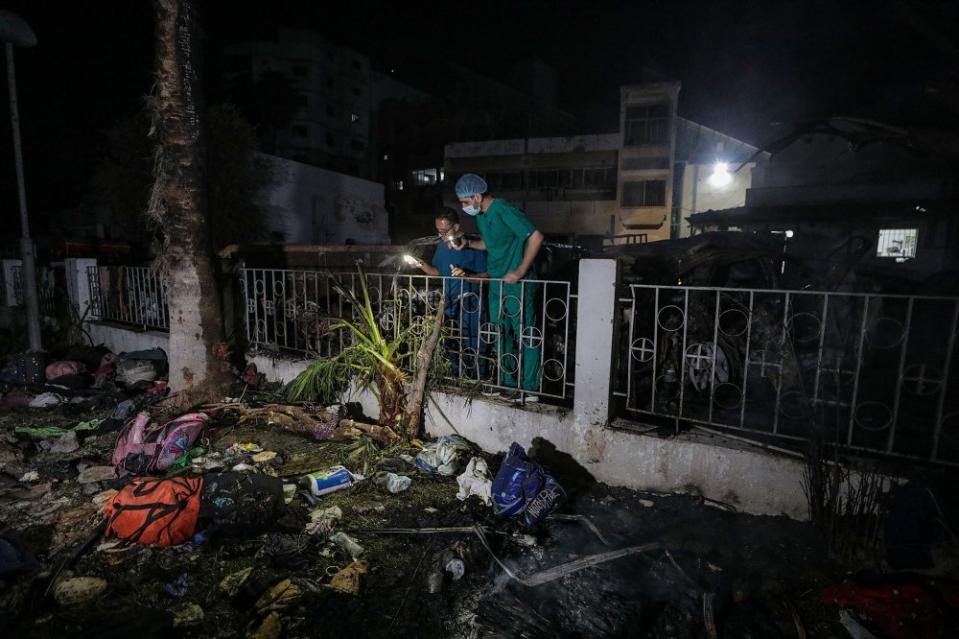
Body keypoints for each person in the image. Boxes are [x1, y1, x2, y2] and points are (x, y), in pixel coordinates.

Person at [453, 173, 543, 400]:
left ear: (477, 196)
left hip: (517, 283)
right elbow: (491, 243)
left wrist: (521, 271)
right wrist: (468, 244)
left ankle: (530, 388)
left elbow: (536, 237)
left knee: (526, 335)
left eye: (465, 202)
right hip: (497, 282)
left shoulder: (503, 209)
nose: (464, 207)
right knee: (501, 333)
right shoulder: (482, 216)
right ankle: (508, 383)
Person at [410, 207, 487, 376]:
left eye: (444, 231)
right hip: (449, 303)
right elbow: (438, 271)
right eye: (438, 231)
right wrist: (421, 264)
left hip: (471, 304)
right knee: (452, 341)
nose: (441, 235)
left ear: (456, 227)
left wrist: (466, 275)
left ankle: (478, 379)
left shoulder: (473, 245)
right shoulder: (442, 247)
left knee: (473, 342)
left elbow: (487, 276)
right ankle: (456, 377)